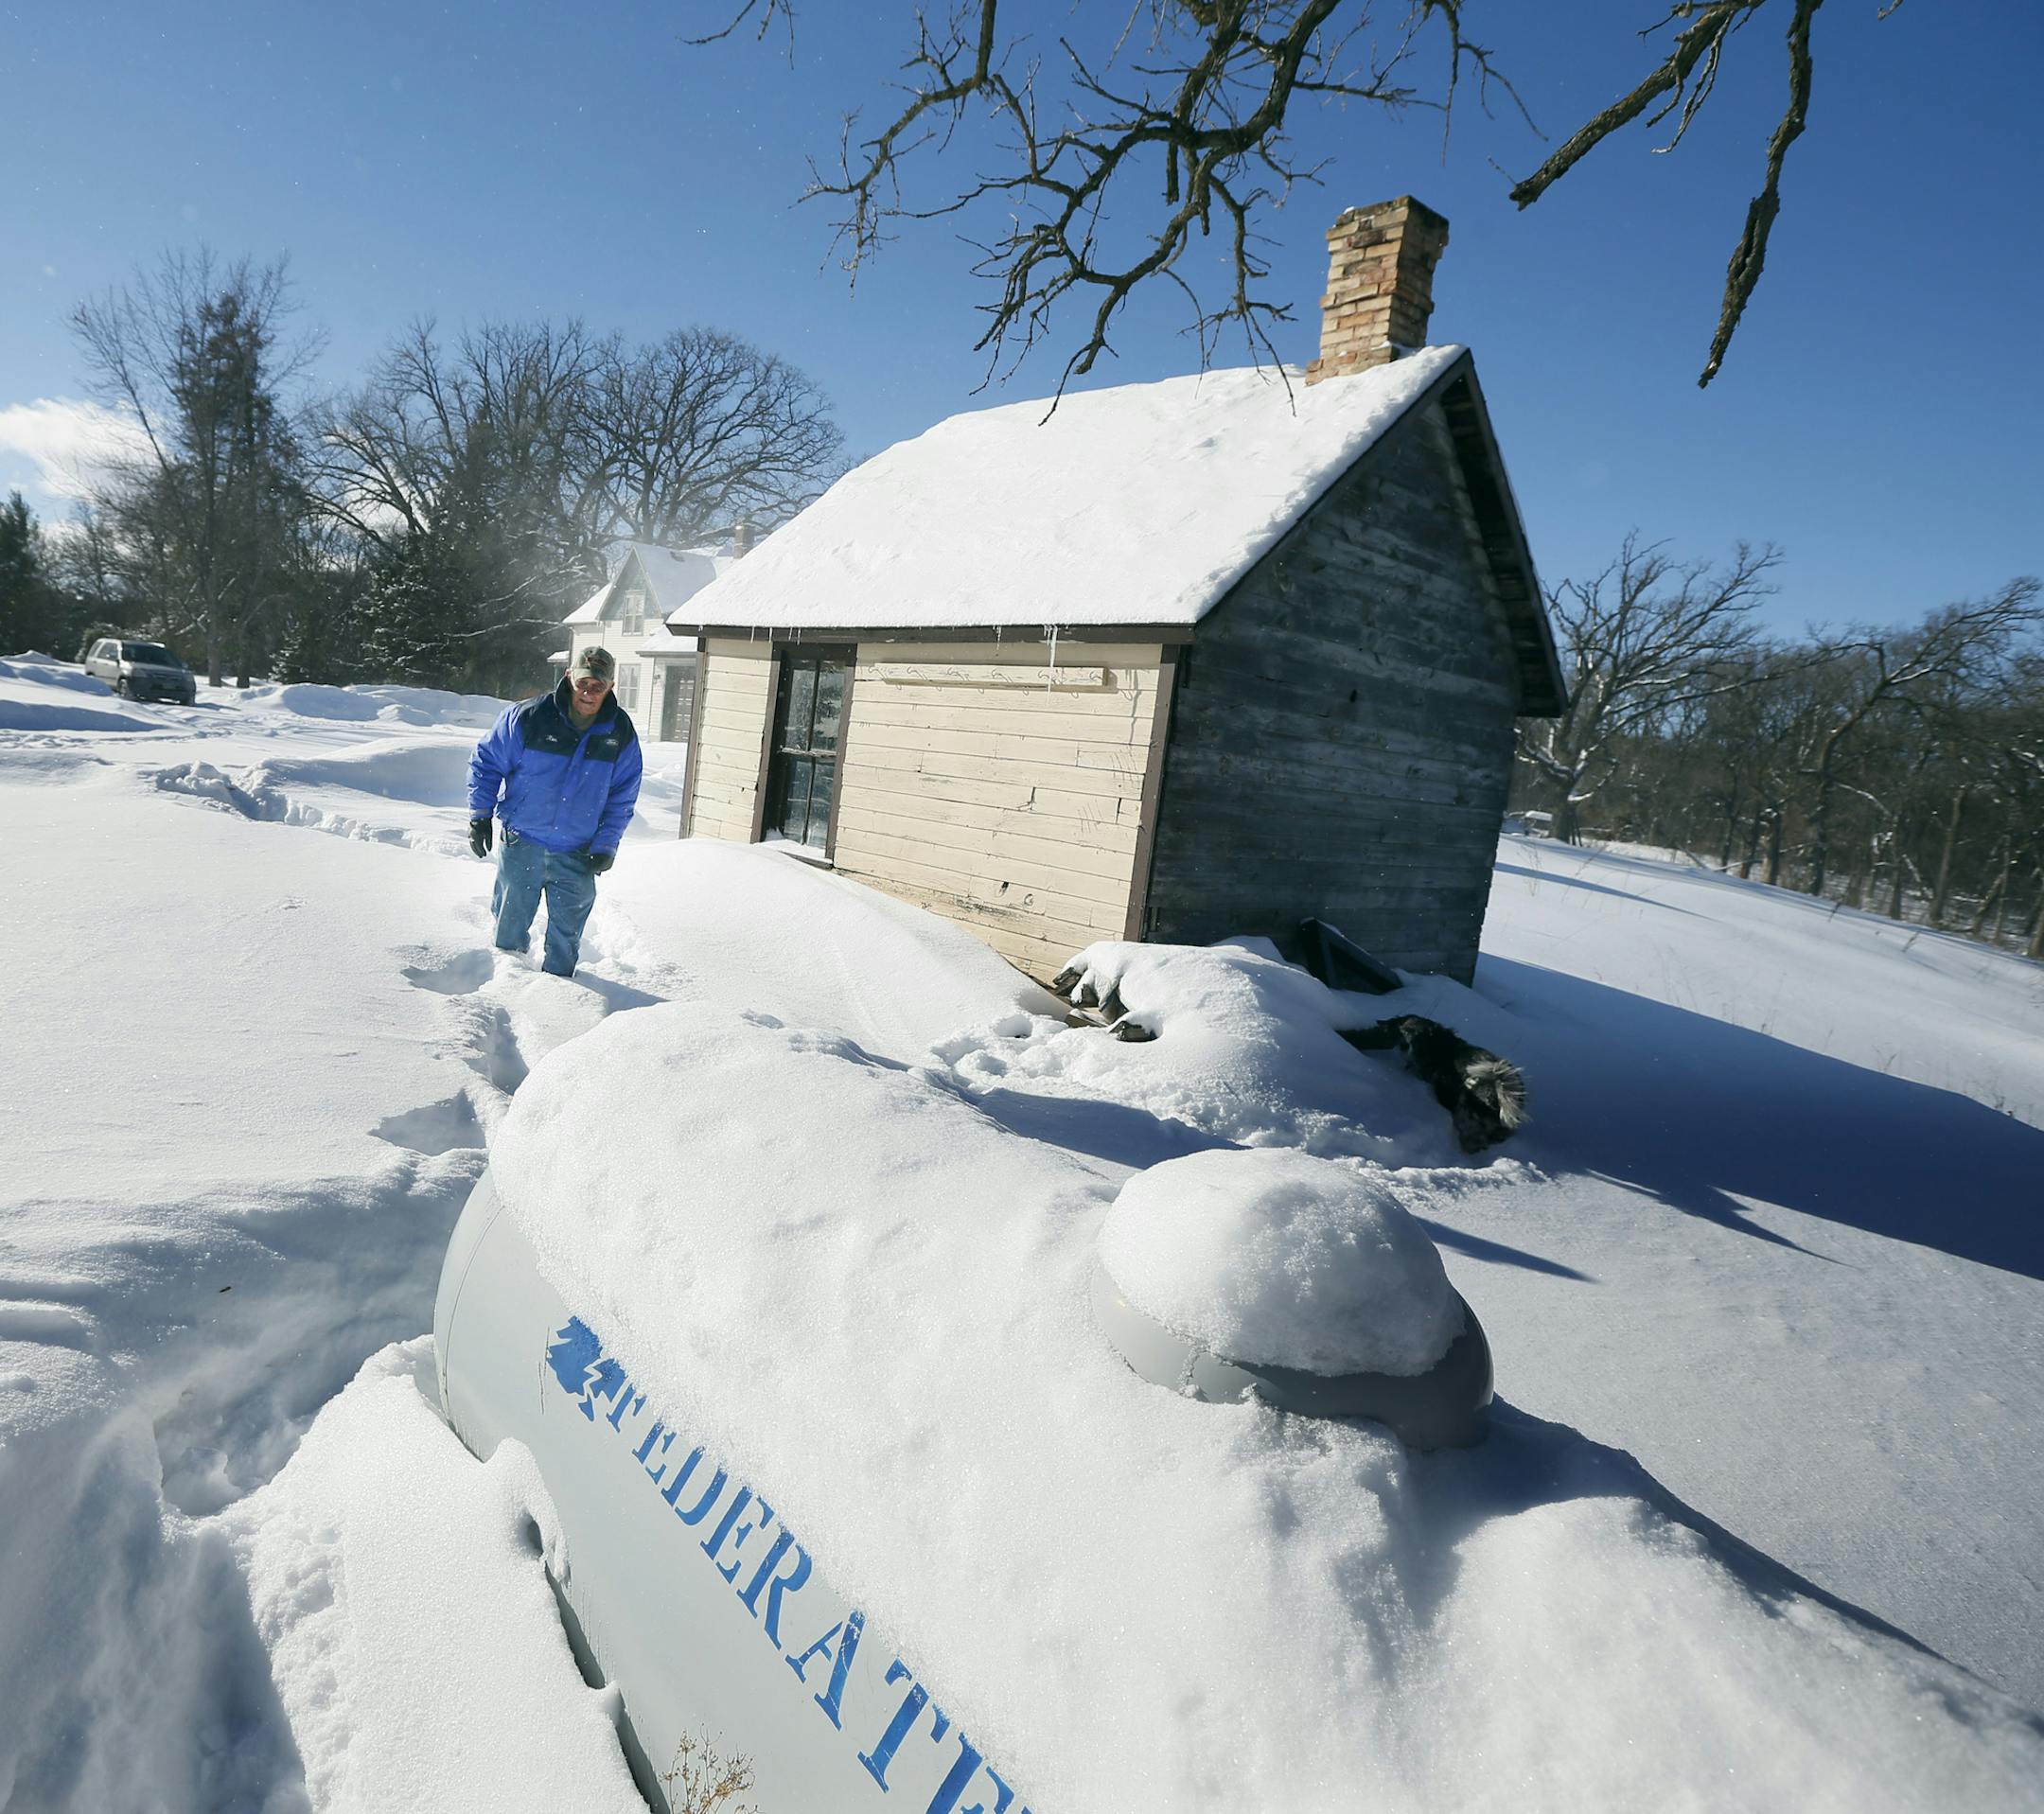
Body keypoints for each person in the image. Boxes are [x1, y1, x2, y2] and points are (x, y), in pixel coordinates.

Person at [467, 645, 643, 977]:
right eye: (583, 684)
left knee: (565, 946)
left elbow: (622, 796)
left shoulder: (619, 733)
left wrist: (607, 844)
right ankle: (505, 991)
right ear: (569, 677)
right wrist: (480, 815)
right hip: (523, 842)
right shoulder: (530, 717)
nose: (588, 693)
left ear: (611, 686)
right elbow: (487, 763)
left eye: (598, 686)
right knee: (508, 935)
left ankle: (559, 997)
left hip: (578, 852)